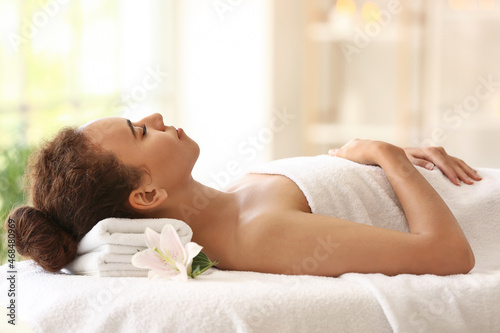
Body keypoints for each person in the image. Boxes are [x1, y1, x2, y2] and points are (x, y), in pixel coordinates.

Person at [6, 113, 482, 276]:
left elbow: (350, 193)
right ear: (147, 194)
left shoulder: (236, 194)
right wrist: (387, 154)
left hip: (471, 184)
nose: (154, 117)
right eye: (139, 132)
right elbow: (448, 253)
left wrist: (379, 164)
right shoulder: (257, 235)